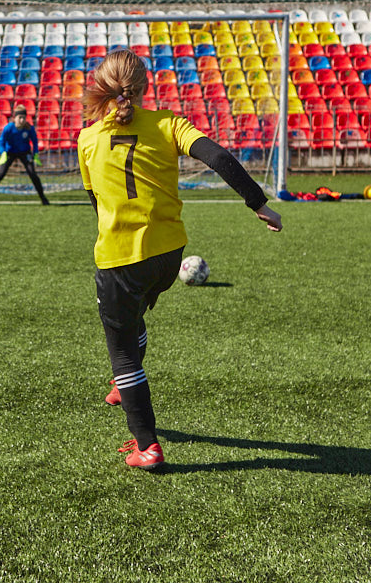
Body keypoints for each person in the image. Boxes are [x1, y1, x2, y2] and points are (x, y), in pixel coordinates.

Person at [77, 51, 283, 471]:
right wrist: (259, 204)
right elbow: (221, 158)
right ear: (144, 87)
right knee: (133, 324)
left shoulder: (87, 139)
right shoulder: (168, 122)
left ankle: (147, 446)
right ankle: (122, 386)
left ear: (100, 87)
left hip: (119, 258)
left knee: (124, 354)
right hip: (169, 256)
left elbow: (93, 201)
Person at [0, 105, 50, 206]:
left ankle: (43, 198)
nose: (22, 120)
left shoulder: (29, 128)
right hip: (10, 152)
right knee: (0, 174)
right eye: (19, 117)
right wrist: (3, 152)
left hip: (24, 152)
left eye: (24, 118)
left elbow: (34, 141)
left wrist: (35, 154)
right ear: (15, 118)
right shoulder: (9, 128)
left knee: (33, 174)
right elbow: (1, 141)